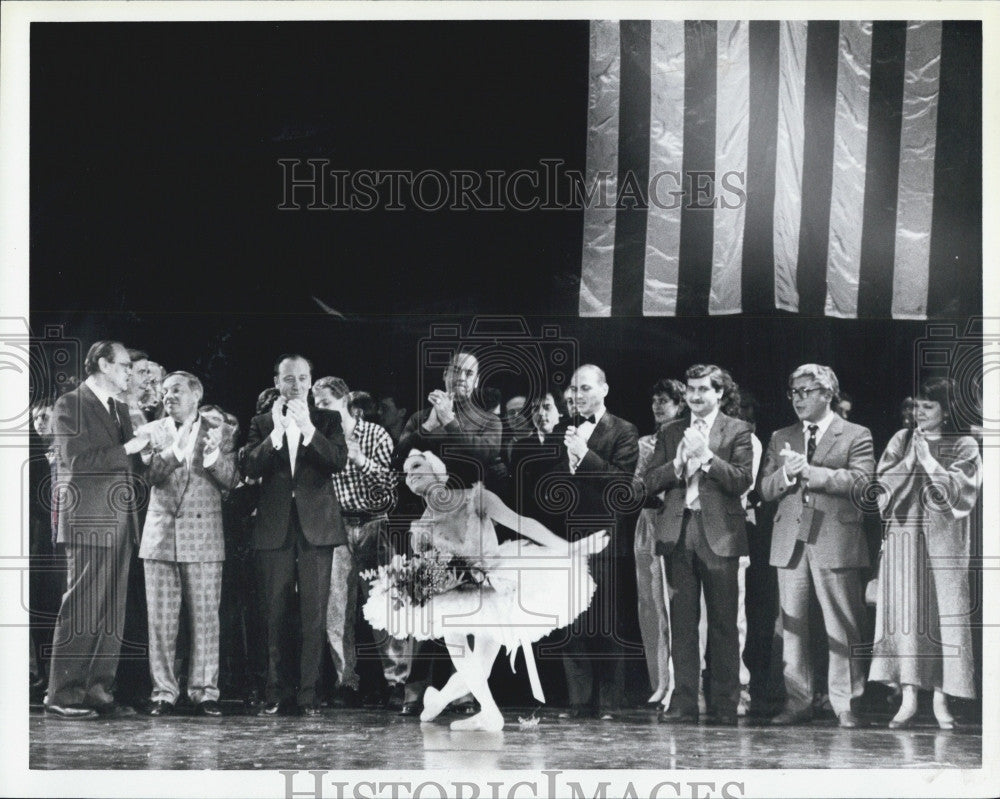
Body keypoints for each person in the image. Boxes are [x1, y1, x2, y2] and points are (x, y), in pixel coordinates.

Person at [363, 450, 609, 731]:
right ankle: (490, 712)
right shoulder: (421, 526)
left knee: (481, 666)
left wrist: (567, 548)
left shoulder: (475, 498)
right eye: (406, 473)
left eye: (417, 466)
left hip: (492, 583)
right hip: (454, 593)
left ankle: (441, 701)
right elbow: (427, 571)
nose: (411, 475)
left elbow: (522, 522)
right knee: (458, 644)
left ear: (437, 471)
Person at [759, 364, 874, 728]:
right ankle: (798, 700)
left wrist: (811, 471)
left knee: (842, 623)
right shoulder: (780, 436)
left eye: (807, 391)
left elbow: (863, 482)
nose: (798, 398)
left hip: (835, 538)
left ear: (828, 394)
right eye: (793, 392)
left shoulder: (856, 433)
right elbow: (763, 489)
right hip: (790, 540)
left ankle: (846, 704)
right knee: (791, 625)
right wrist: (787, 474)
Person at [642, 366, 754, 726]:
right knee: (682, 625)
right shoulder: (671, 431)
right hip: (678, 533)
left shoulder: (738, 430)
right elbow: (648, 482)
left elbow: (741, 481)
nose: (695, 396)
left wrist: (706, 456)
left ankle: (725, 704)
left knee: (723, 626)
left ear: (720, 393)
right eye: (691, 389)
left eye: (704, 389)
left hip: (720, 537)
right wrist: (676, 464)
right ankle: (684, 702)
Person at [44, 341, 150, 719]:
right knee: (83, 607)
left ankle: (98, 691)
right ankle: (63, 694)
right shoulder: (70, 404)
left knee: (110, 611)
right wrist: (131, 447)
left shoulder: (118, 407)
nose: (129, 373)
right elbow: (76, 461)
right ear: (103, 365)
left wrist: (145, 453)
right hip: (89, 520)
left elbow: (126, 464)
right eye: (124, 366)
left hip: (120, 520)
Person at [869, 378, 981, 729]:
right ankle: (908, 696)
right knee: (907, 614)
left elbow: (963, 494)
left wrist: (929, 461)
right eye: (916, 405)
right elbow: (880, 488)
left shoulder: (963, 444)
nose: (919, 412)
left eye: (928, 407)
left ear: (946, 412)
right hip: (905, 536)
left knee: (943, 615)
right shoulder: (900, 440)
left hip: (946, 540)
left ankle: (941, 699)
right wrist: (909, 461)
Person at [394, 350, 502, 716]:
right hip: (430, 522)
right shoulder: (419, 417)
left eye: (469, 372)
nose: (462, 377)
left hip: (470, 521)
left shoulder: (488, 420)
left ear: (476, 379)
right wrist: (428, 427)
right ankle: (416, 689)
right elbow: (400, 456)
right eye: (456, 370)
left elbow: (483, 458)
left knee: (469, 605)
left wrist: (452, 423)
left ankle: (466, 692)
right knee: (428, 601)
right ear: (445, 375)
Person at [241, 354, 349, 716]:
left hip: (317, 528)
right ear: (277, 382)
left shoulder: (328, 419)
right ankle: (276, 693)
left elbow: (336, 461)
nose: (298, 385)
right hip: (274, 527)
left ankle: (309, 695)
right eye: (290, 379)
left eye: (304, 378)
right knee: (274, 613)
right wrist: (275, 433)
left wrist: (308, 430)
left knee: (314, 613)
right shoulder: (260, 421)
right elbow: (250, 466)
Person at [138, 372, 239, 717]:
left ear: (197, 394)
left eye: (176, 390)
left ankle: (205, 691)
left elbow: (231, 480)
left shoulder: (220, 430)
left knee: (206, 619)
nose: (168, 396)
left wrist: (213, 458)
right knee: (161, 621)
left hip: (205, 537)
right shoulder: (152, 431)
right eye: (165, 391)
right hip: (160, 537)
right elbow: (149, 477)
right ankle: (164, 692)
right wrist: (175, 448)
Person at [311, 376, 405, 709]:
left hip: (374, 524)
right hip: (335, 528)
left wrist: (360, 460)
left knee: (386, 606)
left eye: (326, 403)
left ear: (346, 401)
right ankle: (345, 681)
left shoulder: (375, 434)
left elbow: (393, 488)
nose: (320, 410)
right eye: (316, 404)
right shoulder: (320, 438)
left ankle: (398, 682)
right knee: (337, 611)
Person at [558, 364, 639, 720]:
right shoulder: (563, 429)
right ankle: (578, 700)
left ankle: (608, 701)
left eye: (586, 388)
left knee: (604, 619)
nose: (578, 395)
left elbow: (621, 484)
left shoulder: (623, 430)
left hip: (604, 536)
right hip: (564, 538)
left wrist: (584, 454)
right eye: (574, 388)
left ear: (604, 390)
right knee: (571, 621)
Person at [632, 378, 685, 707]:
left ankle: (680, 682)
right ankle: (659, 681)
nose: (658, 405)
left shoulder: (686, 439)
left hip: (677, 524)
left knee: (677, 608)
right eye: (655, 399)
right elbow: (637, 485)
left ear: (680, 404)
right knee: (651, 607)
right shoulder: (645, 443)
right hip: (648, 524)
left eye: (665, 400)